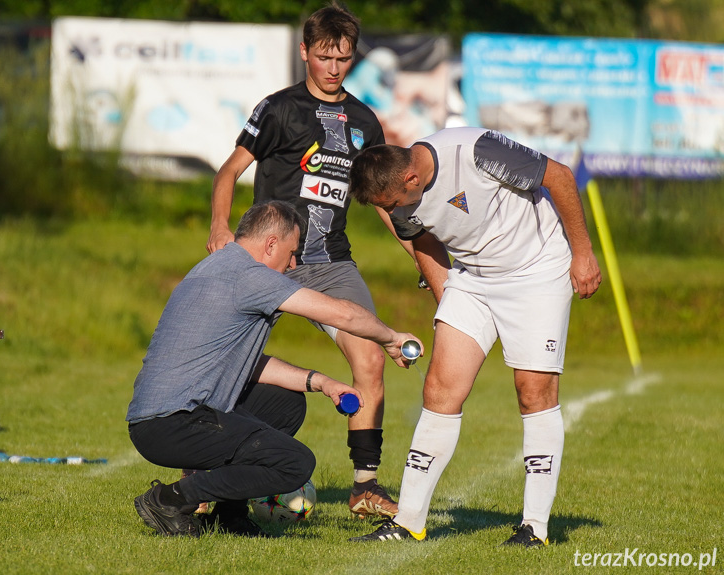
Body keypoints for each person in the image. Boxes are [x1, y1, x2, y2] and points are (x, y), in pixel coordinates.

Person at [346, 127, 602, 546]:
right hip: (471, 278)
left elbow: (559, 177)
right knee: (440, 388)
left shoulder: (476, 151)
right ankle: (408, 521)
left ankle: (535, 529)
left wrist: (583, 252)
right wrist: (449, 300)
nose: (389, 213)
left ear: (411, 179)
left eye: (389, 204)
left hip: (536, 272)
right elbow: (423, 240)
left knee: (533, 392)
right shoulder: (398, 198)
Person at [207, 1, 399, 518]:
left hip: (332, 263)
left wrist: (417, 252)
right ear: (304, 53)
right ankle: (200, 480)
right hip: (268, 261)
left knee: (372, 360)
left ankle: (365, 485)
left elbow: (382, 198)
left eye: (344, 58)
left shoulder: (363, 121)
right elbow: (227, 173)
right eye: (323, 56)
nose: (334, 68)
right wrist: (220, 228)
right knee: (228, 364)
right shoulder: (278, 108)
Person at [128, 201, 422, 538]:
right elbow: (343, 314)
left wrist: (321, 382)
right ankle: (168, 499)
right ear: (271, 244)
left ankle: (230, 514)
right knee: (294, 463)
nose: (294, 262)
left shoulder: (218, 267)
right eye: (292, 251)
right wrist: (391, 338)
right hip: (171, 423)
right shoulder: (248, 276)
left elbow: (248, 365)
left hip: (169, 417)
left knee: (287, 402)